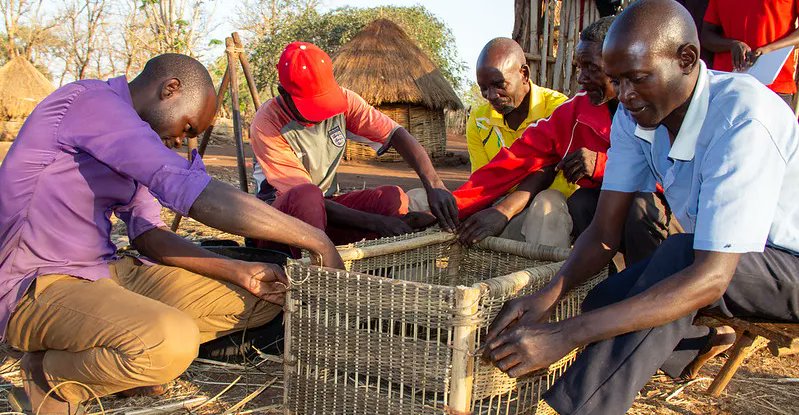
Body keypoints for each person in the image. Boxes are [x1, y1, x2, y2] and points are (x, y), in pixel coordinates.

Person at [481, 1, 799, 414]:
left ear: (686, 59)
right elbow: (603, 232)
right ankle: (681, 350)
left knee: (680, 259)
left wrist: (566, 334)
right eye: (617, 81)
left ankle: (572, 409)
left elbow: (711, 277)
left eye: (638, 78)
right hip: (724, 261)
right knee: (603, 299)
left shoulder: (743, 116)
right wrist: (547, 297)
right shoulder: (637, 117)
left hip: (788, 269)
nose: (625, 95)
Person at [0, 53, 345, 414]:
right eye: (189, 127)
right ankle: (45, 377)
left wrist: (241, 272)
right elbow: (195, 194)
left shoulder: (137, 141)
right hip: (36, 282)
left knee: (263, 299)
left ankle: (116, 356)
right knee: (169, 342)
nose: (182, 140)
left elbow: (149, 234)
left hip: (106, 272)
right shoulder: (89, 103)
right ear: (171, 89)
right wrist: (316, 239)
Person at [453, 16, 676, 265]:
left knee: (639, 205)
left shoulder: (662, 104)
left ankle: (652, 287)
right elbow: (515, 160)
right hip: (620, 212)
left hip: (677, 217)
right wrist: (452, 206)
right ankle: (604, 279)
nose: (581, 78)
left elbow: (671, 174)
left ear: (619, 61)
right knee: (582, 203)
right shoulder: (576, 111)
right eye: (580, 67)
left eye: (592, 68)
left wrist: (601, 165)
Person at [249, 42, 455, 249]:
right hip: (278, 224)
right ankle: (317, 272)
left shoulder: (345, 101)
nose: (322, 114)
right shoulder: (267, 123)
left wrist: (435, 185)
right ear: (283, 93)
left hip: (326, 210)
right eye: (312, 106)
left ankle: (380, 263)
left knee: (390, 198)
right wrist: (376, 222)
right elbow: (303, 197)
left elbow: (396, 133)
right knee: (308, 197)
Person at [465, 38, 568, 173]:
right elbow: (482, 177)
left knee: (548, 196)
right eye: (483, 88)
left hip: (547, 191)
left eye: (499, 85)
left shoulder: (558, 109)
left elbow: (561, 178)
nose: (491, 96)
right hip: (502, 193)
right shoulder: (479, 122)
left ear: (524, 74)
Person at [702, 0, 799, 106]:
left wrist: (770, 49)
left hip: (775, 86)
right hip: (726, 85)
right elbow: (706, 35)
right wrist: (732, 44)